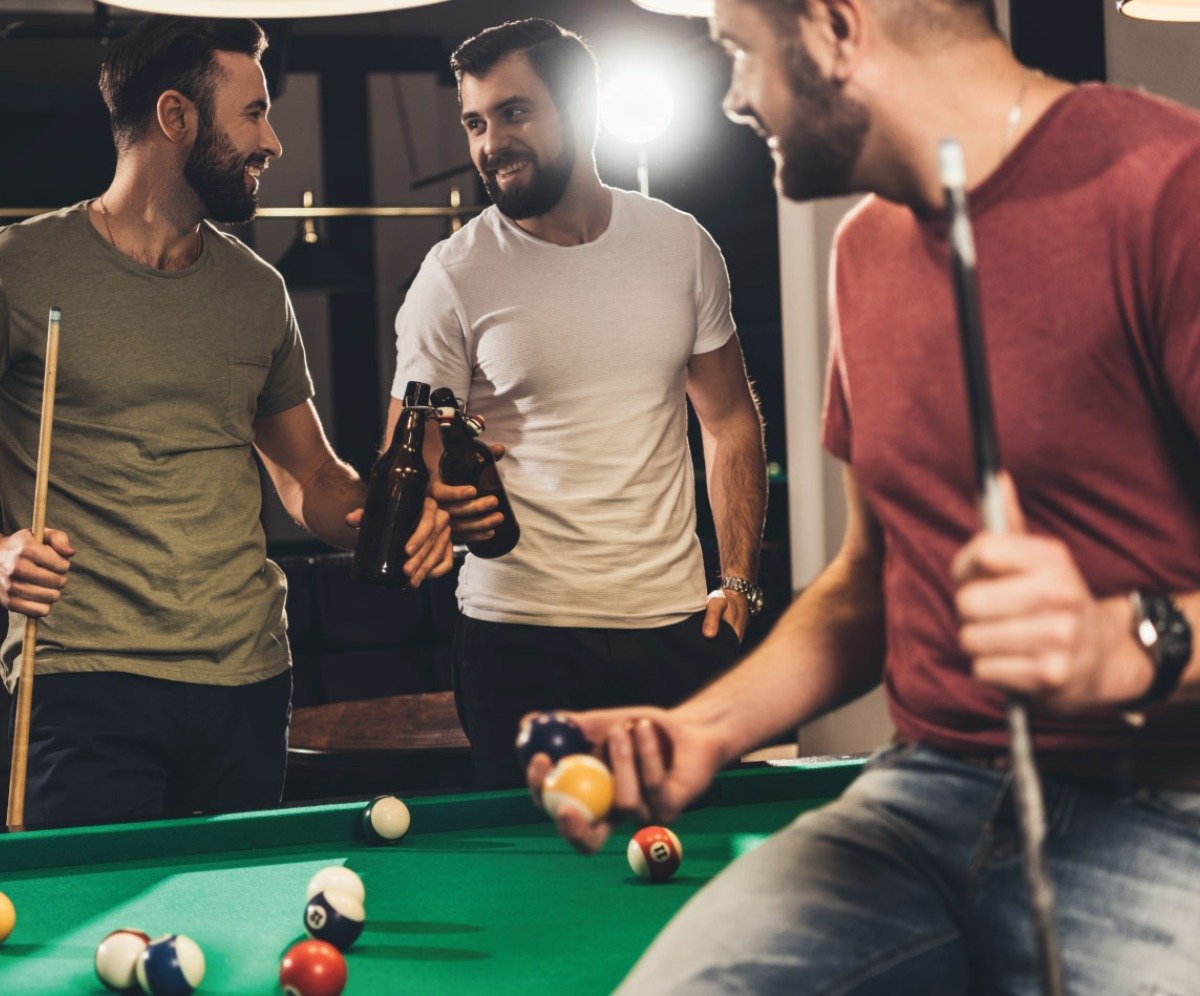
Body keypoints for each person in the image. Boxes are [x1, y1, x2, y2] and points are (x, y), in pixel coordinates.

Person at [529, 0, 1200, 992]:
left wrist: (1125, 644)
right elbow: (871, 581)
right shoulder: (867, 251)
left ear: (838, 29)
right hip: (920, 801)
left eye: (738, 54)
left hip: (1165, 812)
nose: (735, 97)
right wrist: (706, 730)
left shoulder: (1169, 188)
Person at [0, 15, 451, 829]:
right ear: (176, 118)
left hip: (246, 679)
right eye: (254, 113)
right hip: (84, 676)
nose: (272, 141)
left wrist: (392, 516)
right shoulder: (20, 270)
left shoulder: (254, 289)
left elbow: (310, 478)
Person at [391, 18, 768, 789]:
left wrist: (737, 580)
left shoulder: (681, 244)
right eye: (475, 121)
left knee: (675, 866)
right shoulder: (454, 274)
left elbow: (730, 420)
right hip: (517, 639)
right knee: (532, 887)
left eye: (515, 112)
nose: (491, 141)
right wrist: (438, 493)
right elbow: (409, 448)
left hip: (672, 629)